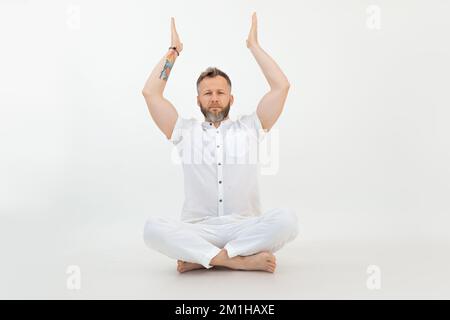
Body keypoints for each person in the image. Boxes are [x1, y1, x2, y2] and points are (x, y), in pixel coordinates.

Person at [141, 13, 298, 273]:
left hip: (244, 226)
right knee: (152, 228)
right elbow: (151, 93)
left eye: (220, 92)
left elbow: (281, 86)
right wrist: (173, 51)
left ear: (231, 99)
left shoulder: (250, 127)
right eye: (208, 93)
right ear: (198, 100)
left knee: (287, 220)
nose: (214, 98)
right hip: (199, 228)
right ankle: (235, 260)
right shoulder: (184, 131)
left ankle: (203, 259)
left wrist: (254, 47)